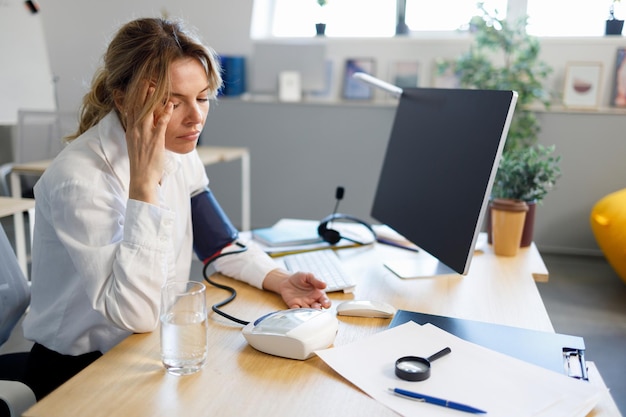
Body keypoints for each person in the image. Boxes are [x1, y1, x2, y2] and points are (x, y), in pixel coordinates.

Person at [21, 17, 331, 399]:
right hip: (76, 371)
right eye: (172, 102)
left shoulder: (179, 151)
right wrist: (144, 186)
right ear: (123, 98)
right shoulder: (79, 179)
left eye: (201, 98)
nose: (196, 117)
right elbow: (136, 315)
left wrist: (278, 278)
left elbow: (218, 243)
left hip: (149, 351)